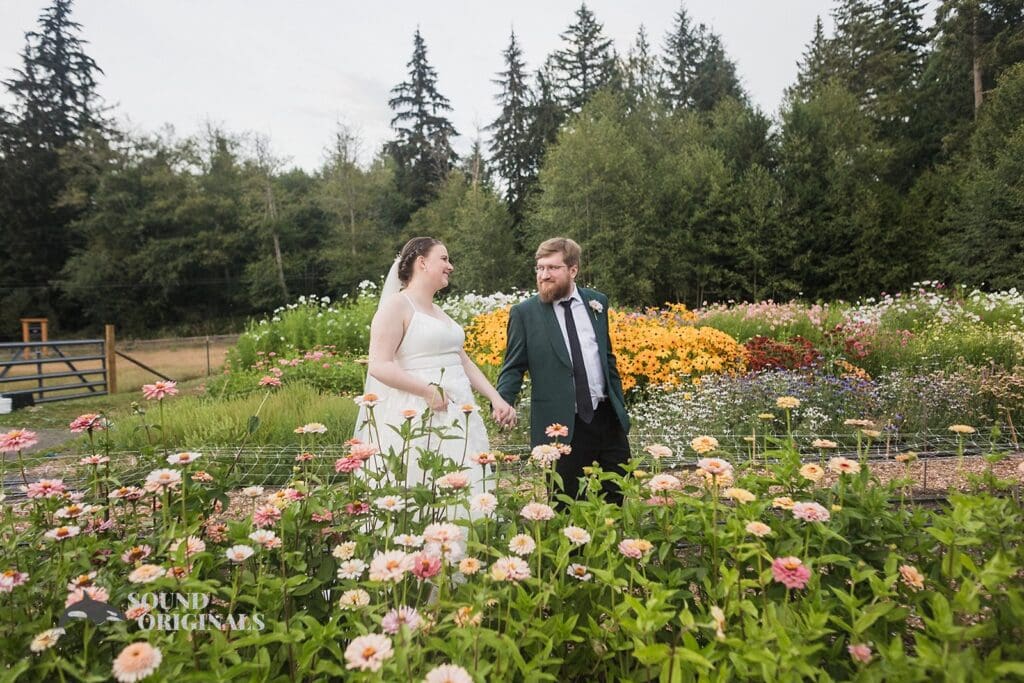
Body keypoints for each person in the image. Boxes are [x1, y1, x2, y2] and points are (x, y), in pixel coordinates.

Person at [354, 237, 516, 493]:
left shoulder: (439, 311)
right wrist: (428, 391)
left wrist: (496, 398)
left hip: (457, 410)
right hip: (418, 412)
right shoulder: (397, 305)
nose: (450, 266)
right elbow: (379, 365)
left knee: (465, 484)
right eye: (443, 259)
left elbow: (463, 361)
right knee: (424, 487)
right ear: (422, 262)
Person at [495, 237, 631, 506]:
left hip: (606, 419)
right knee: (566, 505)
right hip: (560, 426)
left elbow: (606, 357)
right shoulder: (525, 313)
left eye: (552, 268)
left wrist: (620, 406)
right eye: (540, 268)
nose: (544, 275)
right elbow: (513, 367)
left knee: (615, 498)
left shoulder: (597, 303)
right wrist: (502, 402)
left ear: (573, 270)